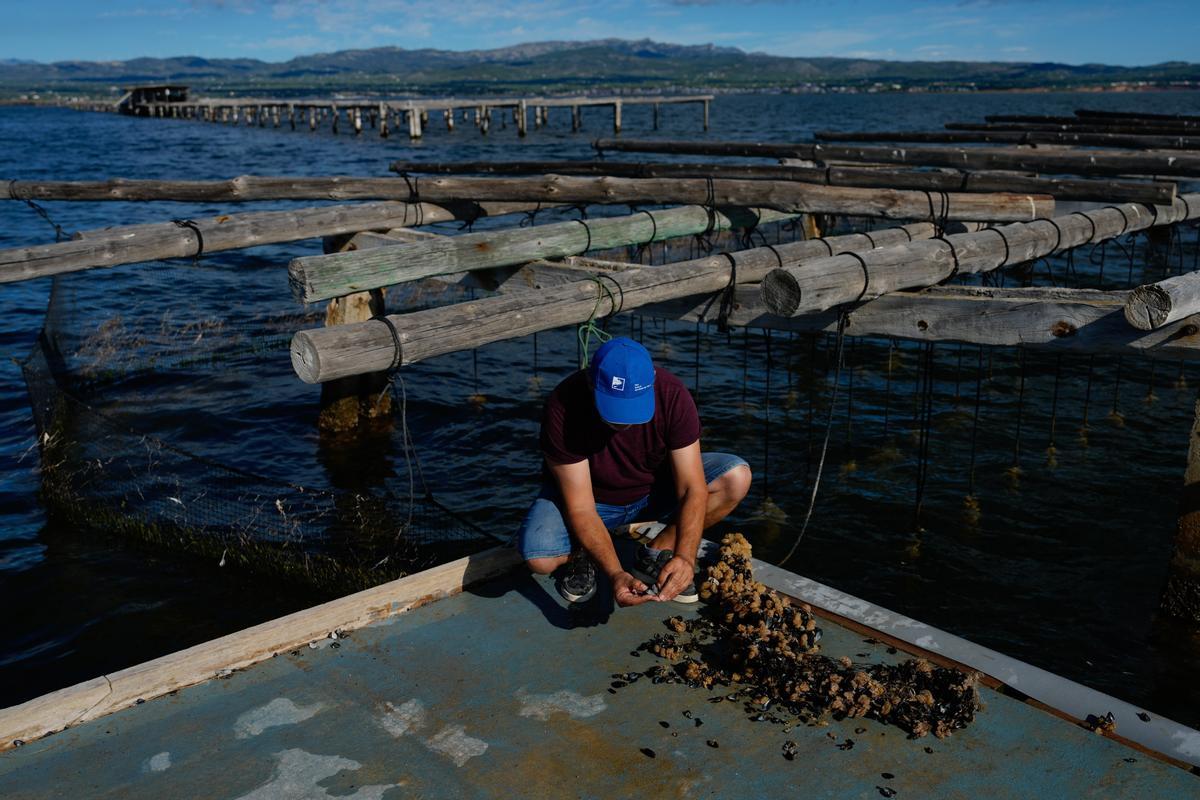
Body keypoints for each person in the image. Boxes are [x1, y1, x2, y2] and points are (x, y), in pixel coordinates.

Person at [518, 336, 751, 606]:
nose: (623, 421)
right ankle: (585, 551)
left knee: (736, 477)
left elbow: (691, 486)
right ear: (590, 382)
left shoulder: (673, 394)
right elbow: (581, 507)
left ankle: (658, 550)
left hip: (651, 492)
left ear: (652, 379)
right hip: (593, 501)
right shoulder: (562, 406)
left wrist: (685, 557)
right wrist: (616, 573)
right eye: (614, 408)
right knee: (539, 558)